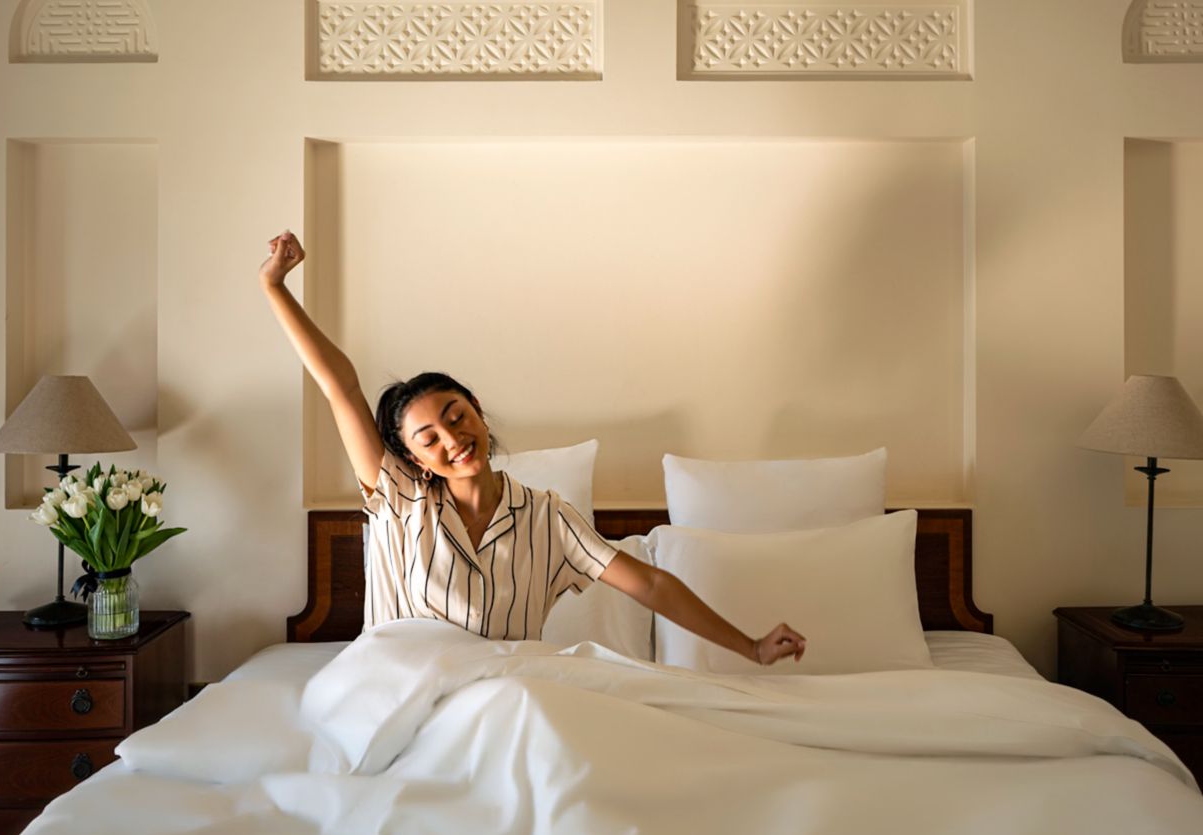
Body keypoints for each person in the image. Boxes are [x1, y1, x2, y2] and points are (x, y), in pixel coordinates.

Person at [260, 231, 807, 665]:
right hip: (395, 691)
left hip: (502, 693)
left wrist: (751, 647)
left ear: (475, 407)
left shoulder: (548, 517)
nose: (452, 439)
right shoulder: (399, 497)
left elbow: (652, 584)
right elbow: (341, 387)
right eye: (429, 439)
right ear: (411, 459)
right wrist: (276, 287)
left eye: (457, 417)